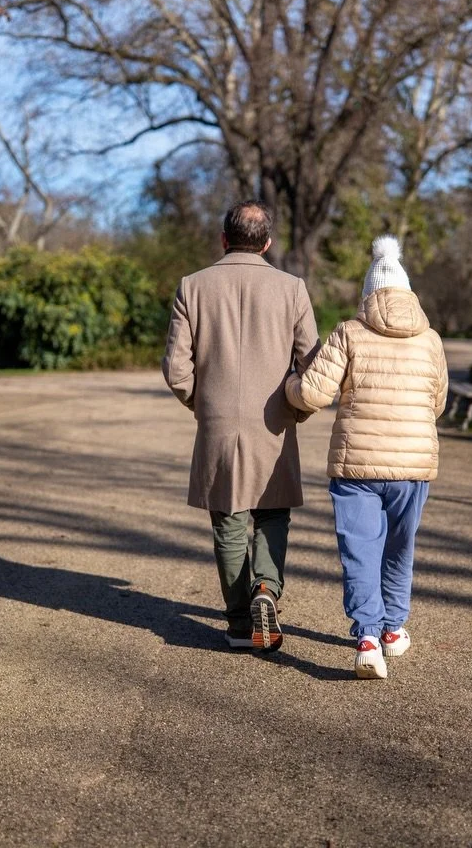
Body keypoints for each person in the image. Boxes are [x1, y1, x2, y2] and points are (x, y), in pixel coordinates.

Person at [285, 235, 448, 679]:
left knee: (360, 551)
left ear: (367, 294)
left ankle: (368, 639)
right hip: (413, 466)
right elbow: (437, 404)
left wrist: (287, 387)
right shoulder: (431, 340)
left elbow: (313, 393)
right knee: (400, 546)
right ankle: (394, 628)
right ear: (408, 292)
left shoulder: (348, 332)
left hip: (357, 463)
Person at [162, 201, 319, 652]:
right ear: (267, 242)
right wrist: (297, 411)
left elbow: (177, 370)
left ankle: (237, 623)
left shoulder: (192, 287)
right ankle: (266, 589)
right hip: (273, 423)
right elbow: (313, 367)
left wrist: (203, 404)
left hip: (217, 422)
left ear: (224, 239)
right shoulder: (292, 288)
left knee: (229, 521)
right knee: (272, 512)